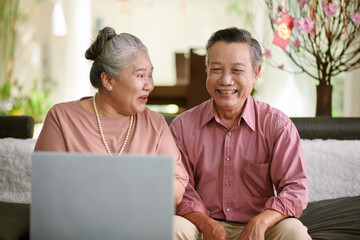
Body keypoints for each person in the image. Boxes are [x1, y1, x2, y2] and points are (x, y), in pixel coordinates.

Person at [170, 27, 311, 240]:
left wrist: (260, 222)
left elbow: (295, 190)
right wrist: (208, 225)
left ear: (256, 72)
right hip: (201, 224)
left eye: (237, 71)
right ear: (207, 68)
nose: (226, 80)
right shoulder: (182, 126)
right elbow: (183, 191)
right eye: (216, 69)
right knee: (172, 228)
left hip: (261, 226)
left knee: (294, 231)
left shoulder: (277, 125)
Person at [34, 26, 188, 205]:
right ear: (107, 80)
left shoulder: (155, 123)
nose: (149, 85)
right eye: (140, 75)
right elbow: (47, 187)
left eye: (150, 75)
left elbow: (177, 186)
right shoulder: (62, 118)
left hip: (137, 224)